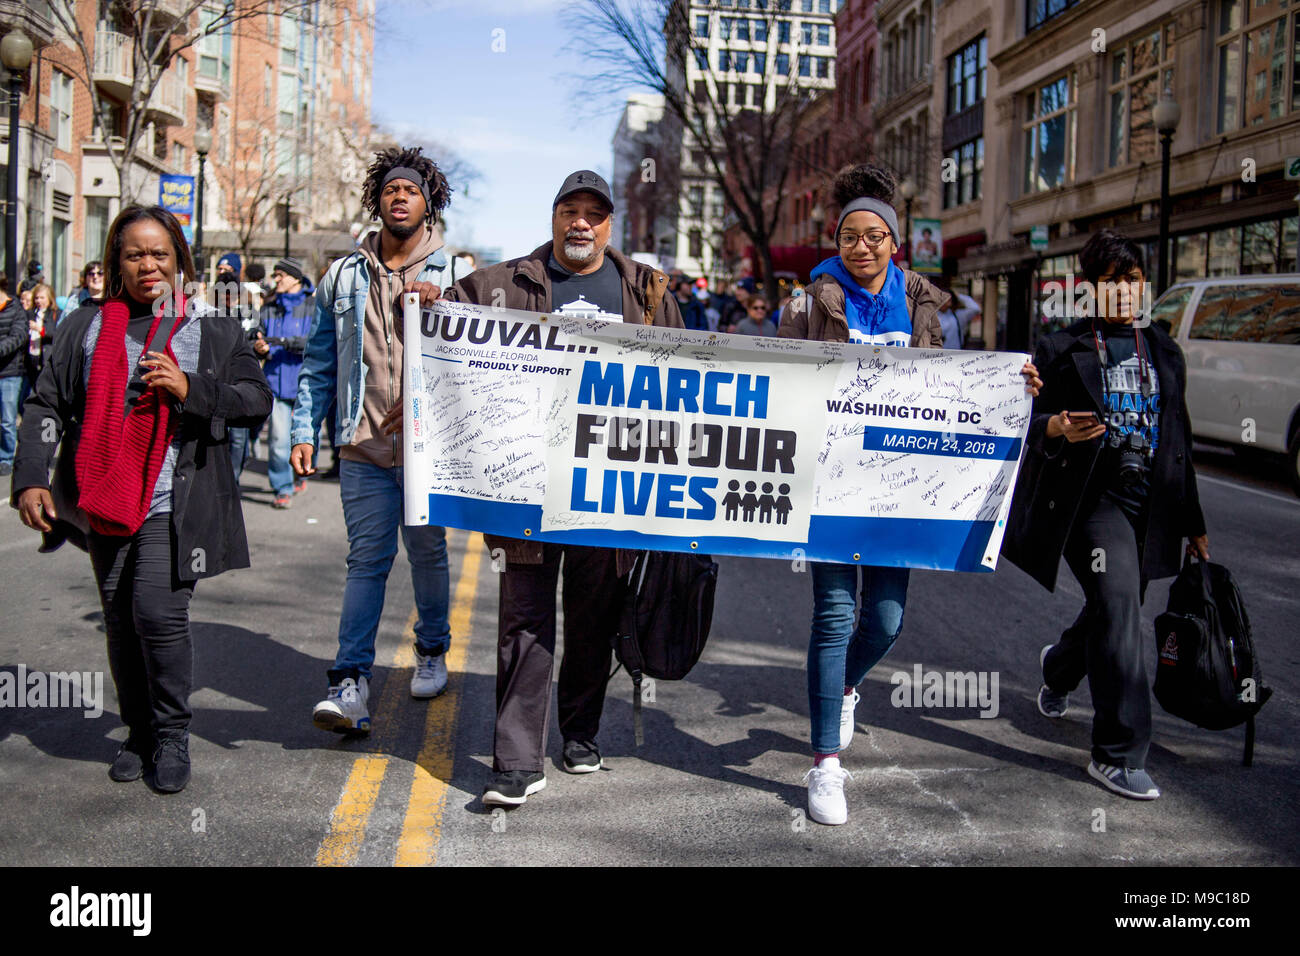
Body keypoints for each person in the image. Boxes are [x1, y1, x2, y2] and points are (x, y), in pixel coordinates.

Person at [778, 162, 1039, 826]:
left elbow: (962, 383)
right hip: (828, 486)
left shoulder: (929, 306)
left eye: (874, 237)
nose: (860, 248)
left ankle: (839, 691)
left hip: (900, 492)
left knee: (886, 622)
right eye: (849, 238)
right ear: (836, 243)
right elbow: (773, 379)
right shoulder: (809, 303)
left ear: (895, 242)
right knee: (835, 617)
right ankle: (825, 765)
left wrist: (1014, 386)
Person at [440, 169, 684, 807]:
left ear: (610, 224)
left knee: (593, 615)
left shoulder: (647, 289)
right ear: (553, 218)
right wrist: (423, 301)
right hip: (524, 485)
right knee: (524, 616)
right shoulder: (508, 282)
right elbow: (444, 322)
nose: (581, 222)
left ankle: (579, 731)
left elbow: (691, 375)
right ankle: (517, 762)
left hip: (610, 489)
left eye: (594, 213)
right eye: (569, 210)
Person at [10, 204, 272, 793]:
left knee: (157, 614)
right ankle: (138, 731)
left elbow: (255, 399)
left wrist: (191, 388)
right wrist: (30, 476)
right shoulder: (85, 325)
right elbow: (46, 404)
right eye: (135, 254)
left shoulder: (213, 327)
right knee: (120, 621)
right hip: (103, 494)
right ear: (117, 262)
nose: (148, 265)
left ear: (180, 259)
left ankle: (173, 733)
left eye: (160, 253)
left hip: (173, 501)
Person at [1003, 228, 1209, 801]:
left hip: (1153, 502)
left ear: (1144, 285)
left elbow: (1179, 440)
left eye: (1131, 279)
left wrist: (1194, 523)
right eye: (1107, 281)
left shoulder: (1165, 350)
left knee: (1110, 610)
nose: (1121, 291)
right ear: (1088, 289)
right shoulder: (1059, 348)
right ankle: (1117, 754)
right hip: (1091, 500)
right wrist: (1055, 427)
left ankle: (1058, 670)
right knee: (1119, 607)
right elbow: (1025, 423)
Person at [291, 146, 464, 733]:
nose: (399, 196)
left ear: (428, 202)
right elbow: (318, 363)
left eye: (410, 189)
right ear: (377, 200)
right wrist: (303, 432)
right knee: (366, 560)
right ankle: (349, 682)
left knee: (428, 554)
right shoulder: (342, 276)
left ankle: (432, 649)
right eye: (390, 188)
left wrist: (450, 312)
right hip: (361, 447)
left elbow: (481, 360)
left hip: (427, 452)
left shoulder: (456, 275)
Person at [254, 257, 314, 508]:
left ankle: (302, 472)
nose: (275, 279)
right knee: (279, 440)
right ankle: (282, 488)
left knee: (307, 437)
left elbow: (315, 341)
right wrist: (259, 347)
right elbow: (255, 338)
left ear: (296, 278)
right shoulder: (269, 308)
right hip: (275, 382)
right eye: (274, 275)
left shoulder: (314, 306)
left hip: (307, 383)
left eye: (280, 275)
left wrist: (283, 341)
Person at [0, 273, 28, 478]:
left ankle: (6, 457)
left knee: (8, 419)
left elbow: (18, 336)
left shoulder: (15, 308)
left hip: (9, 372)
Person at [24, 284, 60, 405]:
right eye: (36, 298)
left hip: (46, 358)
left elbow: (57, 334)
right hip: (31, 358)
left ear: (49, 298)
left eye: (42, 298)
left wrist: (40, 329)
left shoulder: (55, 314)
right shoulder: (31, 314)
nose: (39, 301)